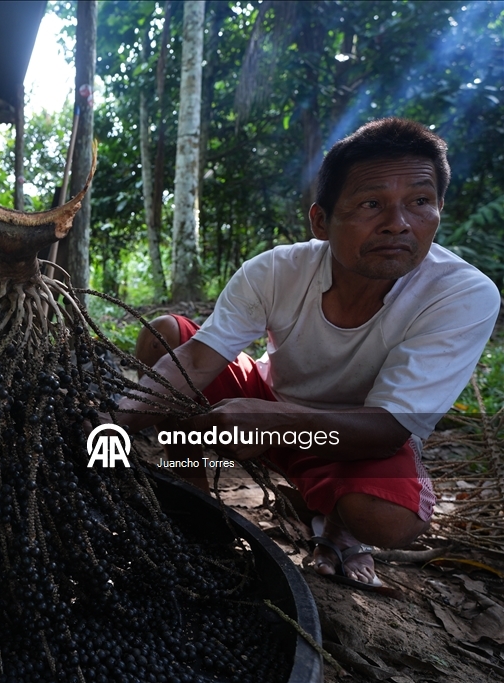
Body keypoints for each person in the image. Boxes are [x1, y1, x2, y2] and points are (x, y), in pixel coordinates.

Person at [120, 118, 500, 588]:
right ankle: (194, 498)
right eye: (371, 204)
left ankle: (339, 525)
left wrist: (274, 423)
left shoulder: (461, 295)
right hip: (270, 403)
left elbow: (389, 429)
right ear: (321, 221)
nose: (398, 224)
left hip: (352, 436)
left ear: (440, 208)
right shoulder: (276, 271)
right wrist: (112, 424)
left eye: (420, 201)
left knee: (388, 517)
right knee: (165, 337)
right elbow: (198, 360)